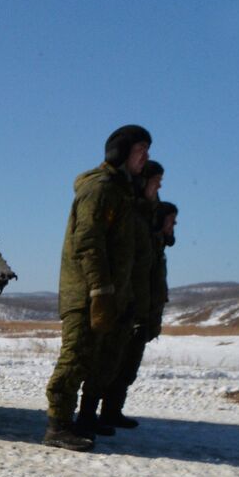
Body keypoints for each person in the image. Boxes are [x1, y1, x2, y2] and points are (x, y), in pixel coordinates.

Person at [43, 124, 151, 451]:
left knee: (98, 360)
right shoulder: (100, 190)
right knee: (75, 357)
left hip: (109, 294)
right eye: (139, 150)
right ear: (120, 153)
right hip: (87, 293)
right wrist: (99, 292)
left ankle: (85, 420)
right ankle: (58, 426)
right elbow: (88, 242)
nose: (145, 157)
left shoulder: (123, 193)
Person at [103, 197, 177, 427]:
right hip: (134, 315)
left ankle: (112, 411)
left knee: (127, 369)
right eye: (171, 222)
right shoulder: (147, 246)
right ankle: (99, 414)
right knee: (116, 367)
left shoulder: (156, 247)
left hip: (144, 315)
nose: (173, 227)